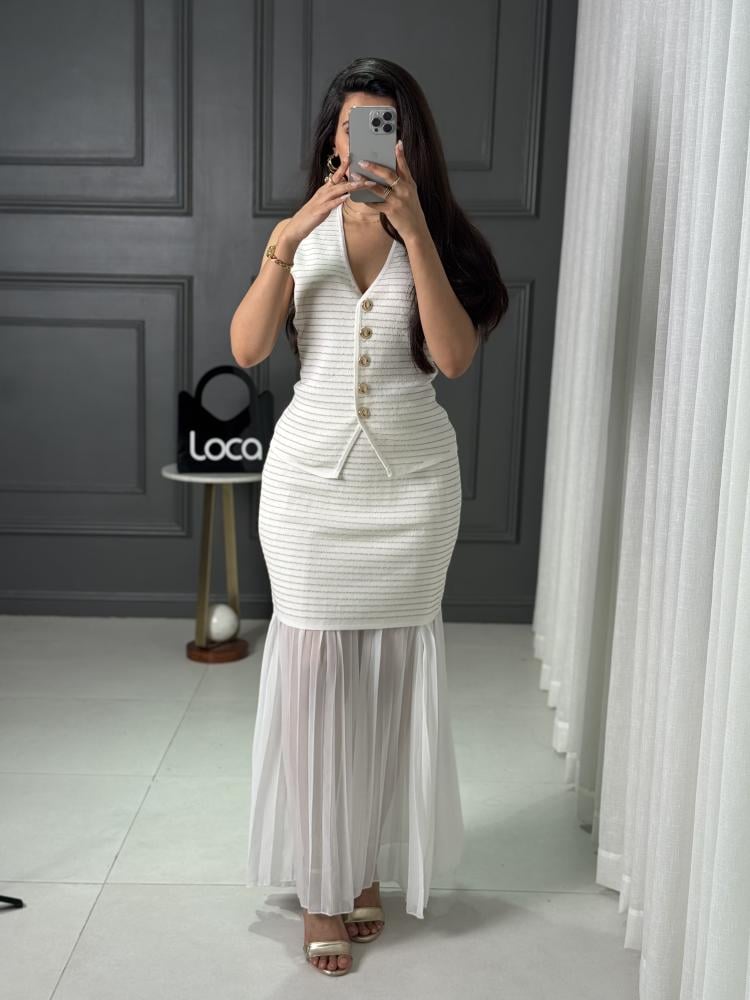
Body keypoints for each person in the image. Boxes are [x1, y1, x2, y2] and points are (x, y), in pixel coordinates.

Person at [231, 57, 508, 978]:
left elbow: (452, 360)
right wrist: (284, 241)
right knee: (314, 688)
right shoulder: (301, 236)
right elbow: (249, 347)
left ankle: (363, 869)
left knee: (388, 688)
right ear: (332, 140)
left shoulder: (443, 239)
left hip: (413, 491)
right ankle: (320, 885)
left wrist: (415, 230)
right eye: (351, 126)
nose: (364, 143)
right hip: (309, 489)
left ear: (411, 142)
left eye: (384, 126)